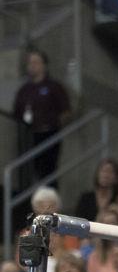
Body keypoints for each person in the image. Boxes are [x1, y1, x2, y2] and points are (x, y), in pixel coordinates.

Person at [12, 48, 71, 184]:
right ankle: (34, 202)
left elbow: (66, 111)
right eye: (30, 63)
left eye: (36, 62)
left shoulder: (54, 86)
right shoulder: (24, 90)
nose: (32, 66)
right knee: (30, 172)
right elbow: (16, 113)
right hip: (29, 135)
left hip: (49, 133)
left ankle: (49, 204)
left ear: (44, 65)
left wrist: (57, 125)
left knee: (48, 171)